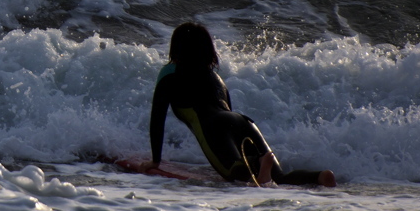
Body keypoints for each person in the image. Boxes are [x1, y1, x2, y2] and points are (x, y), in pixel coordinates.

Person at [143, 22, 335, 187]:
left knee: (234, 173)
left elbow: (157, 119)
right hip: (243, 122)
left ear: (176, 48)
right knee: (281, 178)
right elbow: (226, 113)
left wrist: (155, 161)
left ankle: (258, 167)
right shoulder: (216, 78)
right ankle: (318, 176)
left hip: (213, 126)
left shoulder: (170, 74)